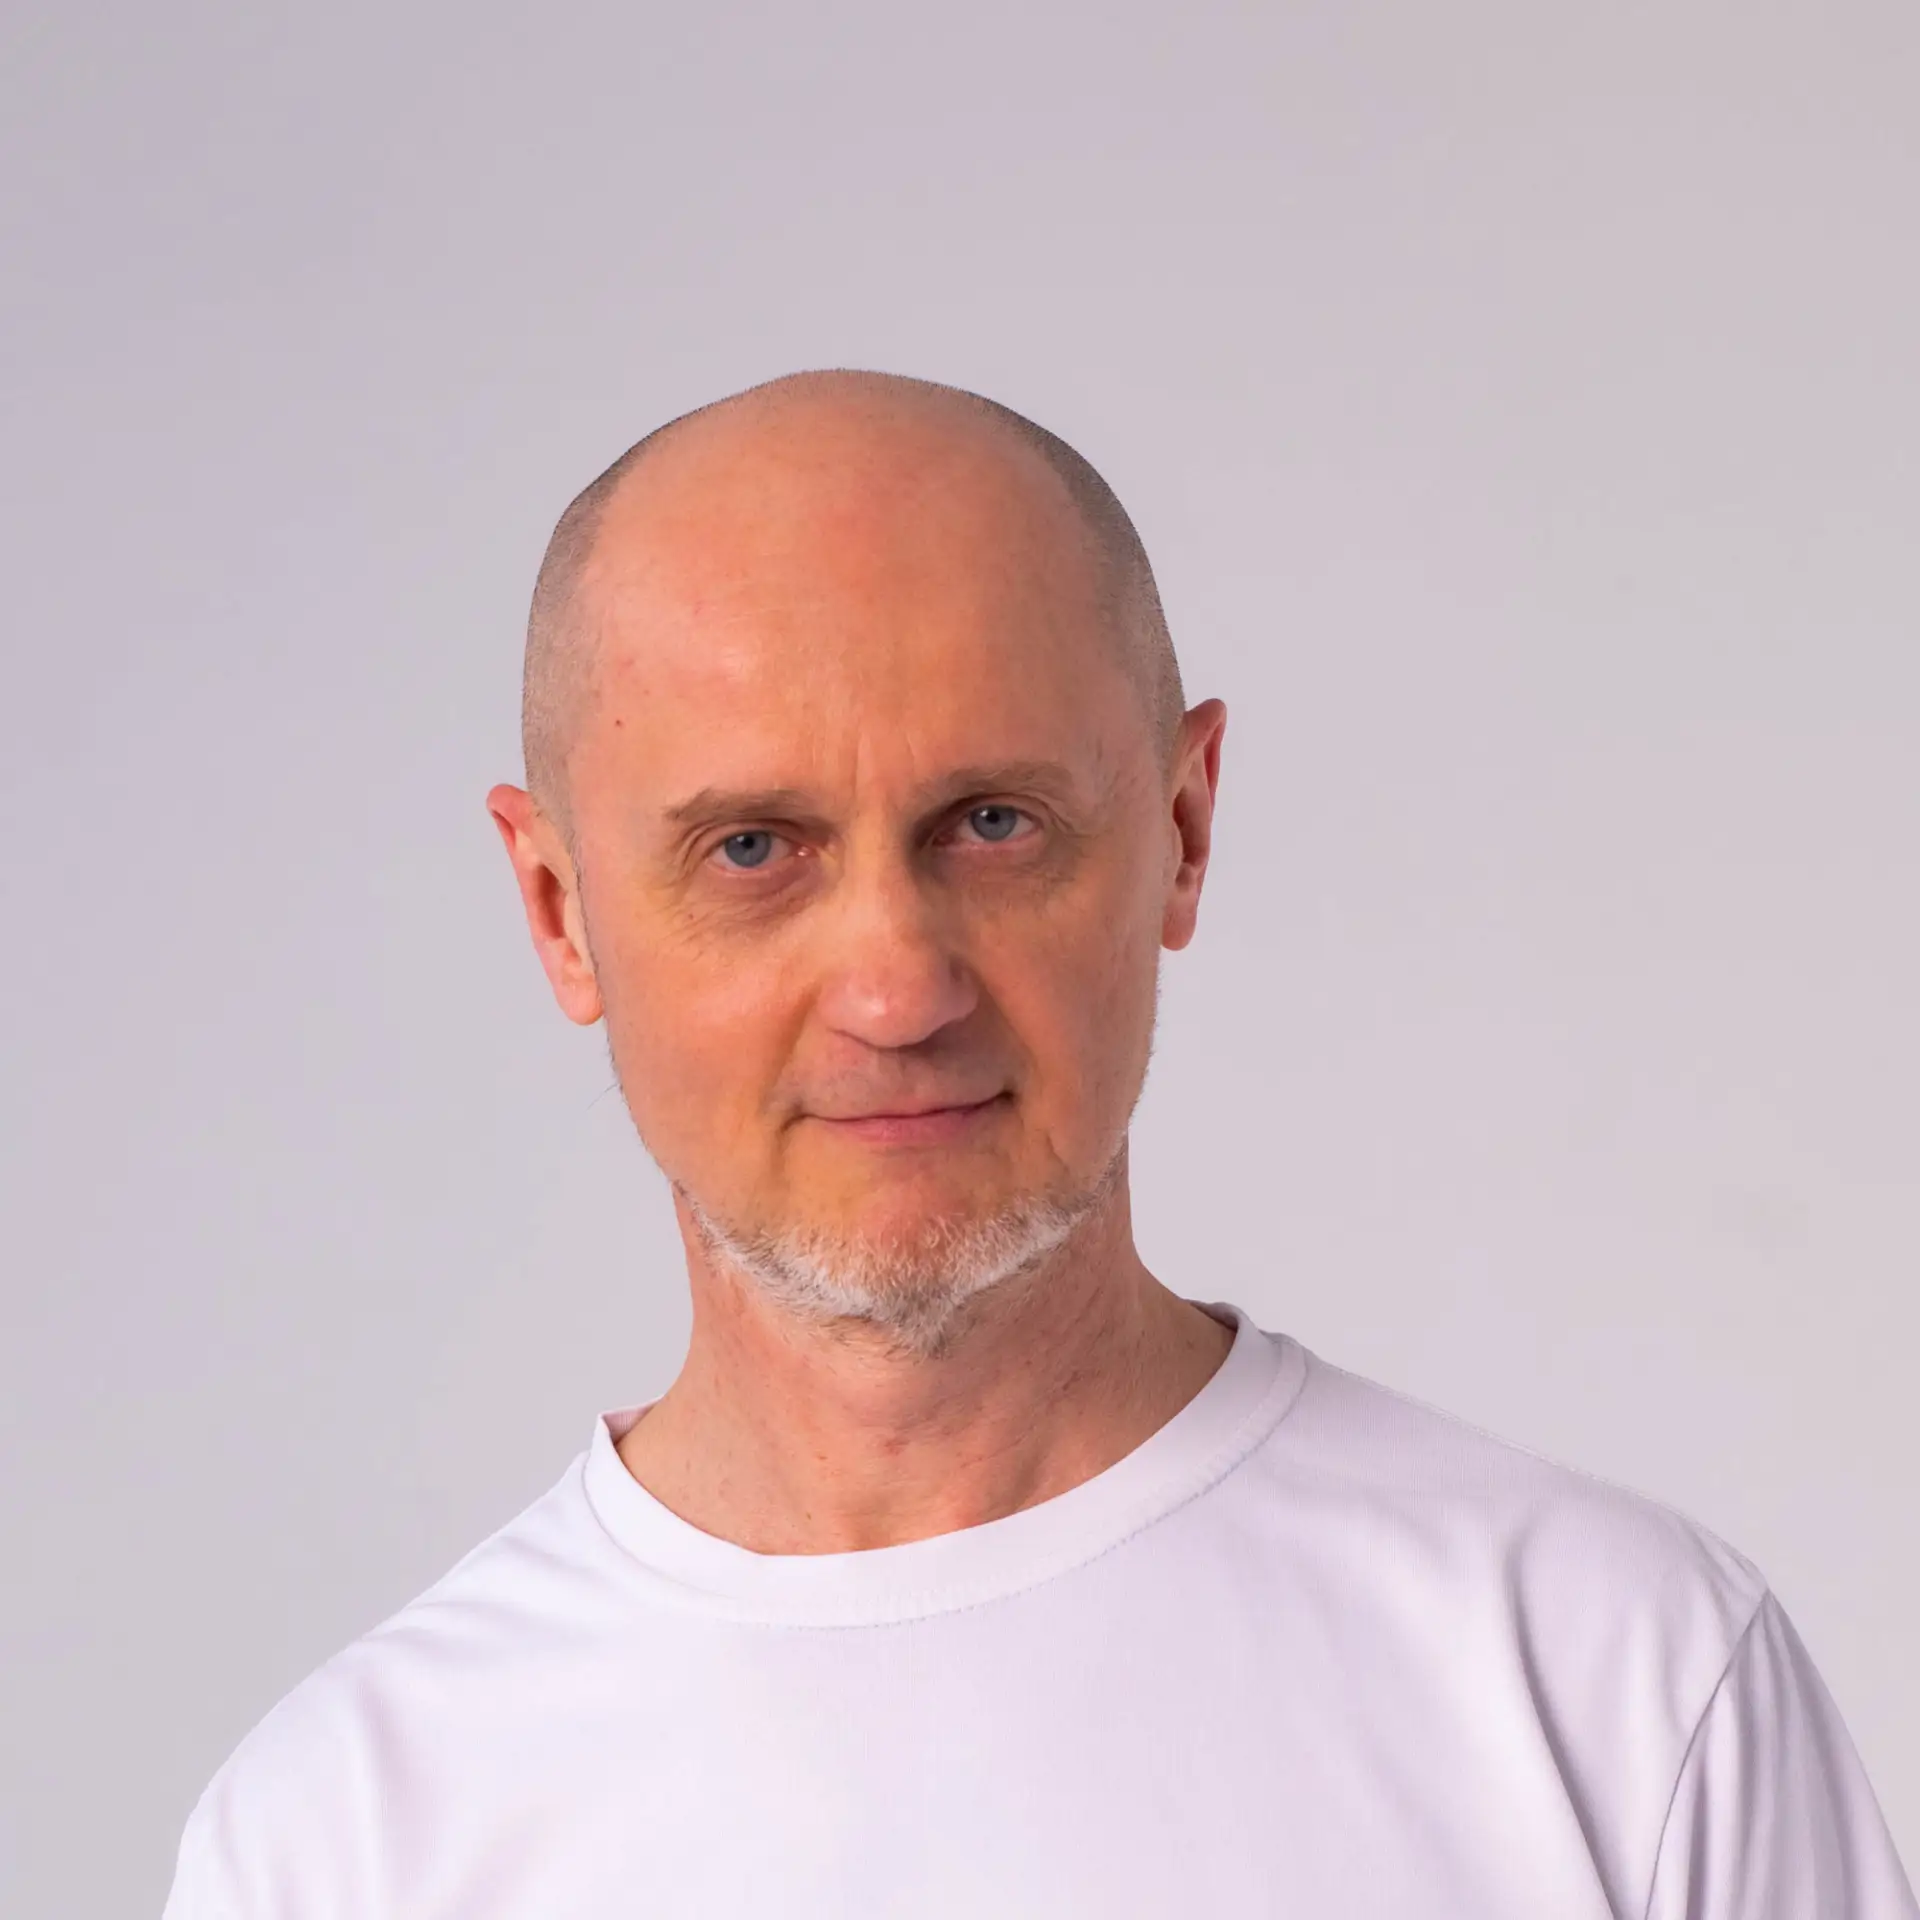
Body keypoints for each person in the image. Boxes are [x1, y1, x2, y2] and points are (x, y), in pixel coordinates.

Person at [164, 371, 1916, 1918]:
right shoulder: (341, 1846)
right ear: (559, 911)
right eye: (754, 850)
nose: (895, 990)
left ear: (1183, 830)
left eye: (992, 823)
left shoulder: (1622, 1691)